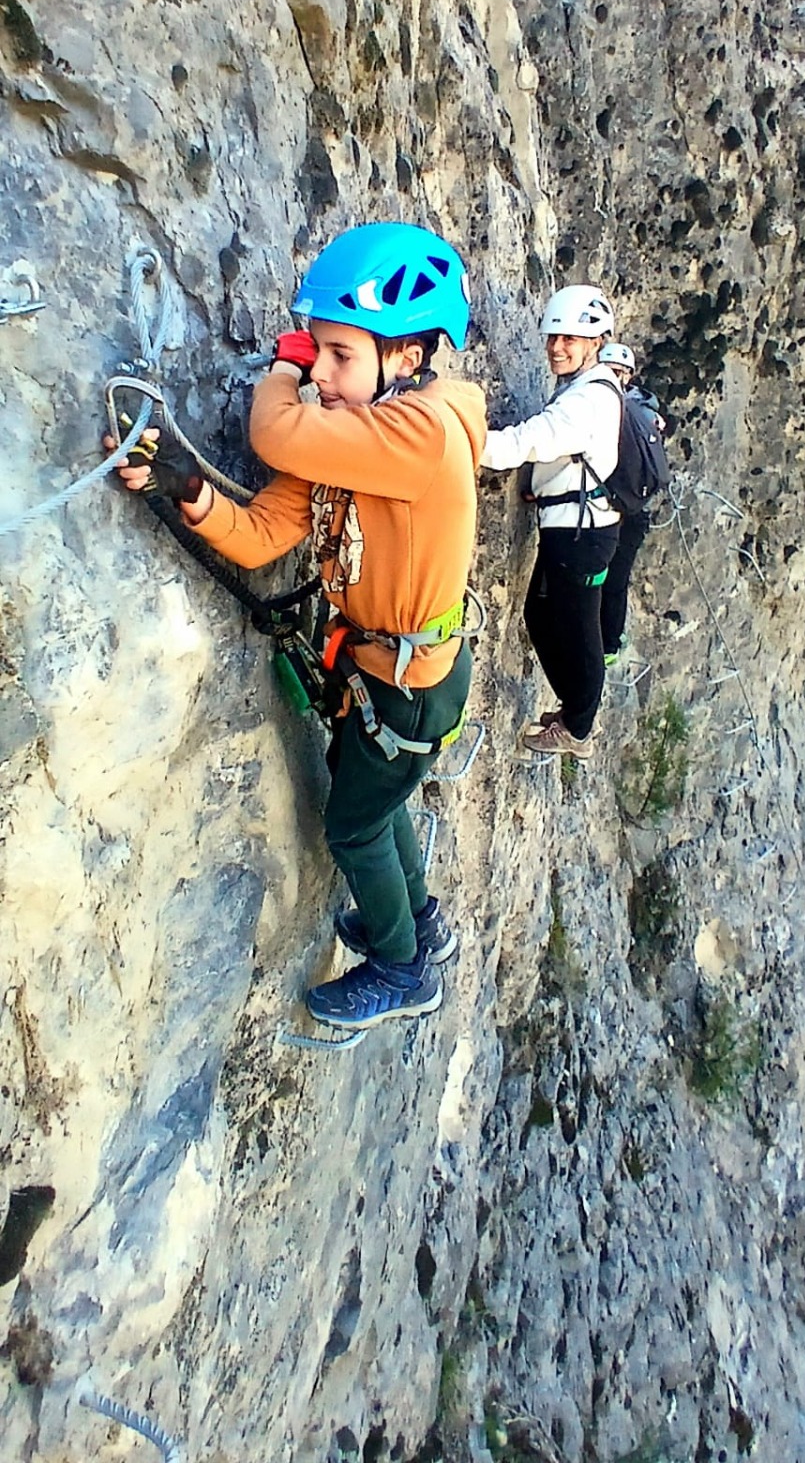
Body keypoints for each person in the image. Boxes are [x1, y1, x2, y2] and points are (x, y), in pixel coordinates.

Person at [106, 222, 486, 1031]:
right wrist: (183, 487)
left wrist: (283, 367)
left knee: (352, 827)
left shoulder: (419, 434)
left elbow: (275, 430)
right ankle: (417, 924)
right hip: (386, 674)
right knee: (379, 808)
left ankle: (400, 967)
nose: (323, 373)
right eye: (318, 352)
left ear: (406, 359)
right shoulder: (356, 439)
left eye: (339, 355)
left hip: (407, 683)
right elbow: (264, 532)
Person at [481, 285, 621, 759]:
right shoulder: (587, 390)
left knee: (579, 628)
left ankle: (578, 727)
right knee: (541, 617)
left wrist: (464, 440)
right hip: (575, 527)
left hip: (582, 536)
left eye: (571, 339)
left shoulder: (588, 399)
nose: (557, 347)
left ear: (596, 341)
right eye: (553, 337)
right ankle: (575, 712)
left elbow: (533, 440)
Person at [596, 341, 665, 664]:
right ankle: (606, 640)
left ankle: (608, 642)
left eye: (618, 372)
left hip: (621, 508)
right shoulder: (642, 410)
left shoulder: (623, 409)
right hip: (631, 507)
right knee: (612, 576)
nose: (614, 376)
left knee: (612, 577)